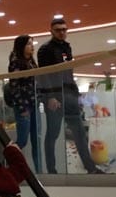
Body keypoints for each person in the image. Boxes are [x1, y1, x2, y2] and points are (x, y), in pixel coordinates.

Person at [37, 18, 103, 174]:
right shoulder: (45, 49)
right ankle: (52, 170)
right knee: (53, 134)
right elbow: (43, 74)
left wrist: (76, 95)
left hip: (69, 95)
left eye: (64, 29)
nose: (62, 32)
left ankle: (90, 168)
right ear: (51, 31)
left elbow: (69, 73)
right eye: (58, 30)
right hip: (56, 95)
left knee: (79, 133)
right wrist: (50, 96)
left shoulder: (67, 47)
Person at [6, 34, 41, 173]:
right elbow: (14, 87)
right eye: (28, 44)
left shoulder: (32, 62)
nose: (32, 46)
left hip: (34, 104)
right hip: (24, 106)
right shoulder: (15, 62)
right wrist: (22, 107)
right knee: (22, 140)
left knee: (36, 140)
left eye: (32, 43)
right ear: (21, 46)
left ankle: (39, 171)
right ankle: (10, 168)